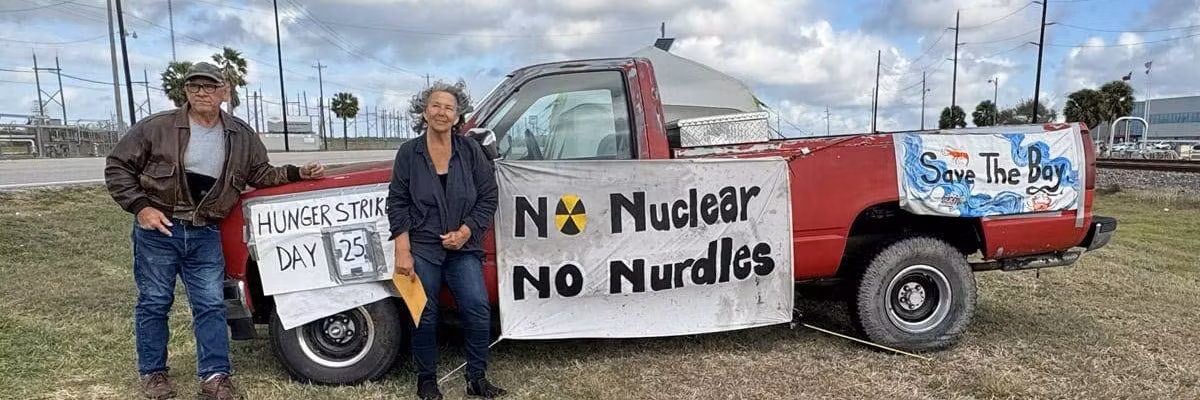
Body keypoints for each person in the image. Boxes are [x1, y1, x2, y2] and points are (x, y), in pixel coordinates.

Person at [104, 61, 325, 400]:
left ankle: (215, 378)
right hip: (159, 231)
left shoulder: (240, 134)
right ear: (186, 91)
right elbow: (118, 166)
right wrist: (141, 207)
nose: (202, 92)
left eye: (210, 86)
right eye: (195, 86)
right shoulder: (156, 127)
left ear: (225, 92)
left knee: (210, 305)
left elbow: (261, 173)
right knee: (154, 302)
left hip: (206, 231)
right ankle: (154, 374)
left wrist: (298, 173)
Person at [386, 80, 504, 400]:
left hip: (463, 247)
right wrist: (402, 249)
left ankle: (476, 378)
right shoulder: (409, 153)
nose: (442, 112)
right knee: (422, 310)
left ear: (457, 116)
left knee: (477, 307)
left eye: (449, 107)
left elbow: (488, 196)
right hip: (422, 246)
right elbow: (397, 202)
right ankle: (426, 381)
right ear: (424, 112)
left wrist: (466, 231)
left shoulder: (470, 151)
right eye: (435, 105)